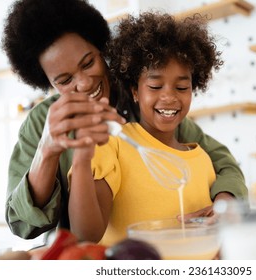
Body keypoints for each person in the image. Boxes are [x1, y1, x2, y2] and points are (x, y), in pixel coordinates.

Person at [1, 0, 248, 241]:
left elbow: (221, 162)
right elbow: (22, 224)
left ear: (100, 49)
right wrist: (47, 151)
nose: (85, 83)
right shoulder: (41, 122)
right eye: (65, 80)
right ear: (47, 83)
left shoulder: (147, 103)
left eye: (89, 63)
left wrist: (225, 201)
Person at [68, 11, 228, 245]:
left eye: (182, 88)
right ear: (135, 90)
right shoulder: (112, 147)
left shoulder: (203, 161)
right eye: (155, 85)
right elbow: (85, 235)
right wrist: (82, 158)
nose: (169, 97)